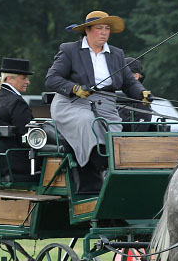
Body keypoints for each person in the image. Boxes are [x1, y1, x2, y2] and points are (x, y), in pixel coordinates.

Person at [44, 10, 151, 192]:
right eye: (99, 28)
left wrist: (141, 93)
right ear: (87, 30)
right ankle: (97, 168)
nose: (104, 32)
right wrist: (75, 88)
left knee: (114, 136)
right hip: (72, 103)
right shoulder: (70, 50)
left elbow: (128, 82)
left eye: (107, 28)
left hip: (106, 107)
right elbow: (51, 79)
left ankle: (113, 182)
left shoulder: (116, 54)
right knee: (87, 121)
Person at [0, 57, 37, 182]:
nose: (27, 82)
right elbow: (26, 135)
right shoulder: (17, 101)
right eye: (23, 78)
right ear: (10, 78)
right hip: (11, 162)